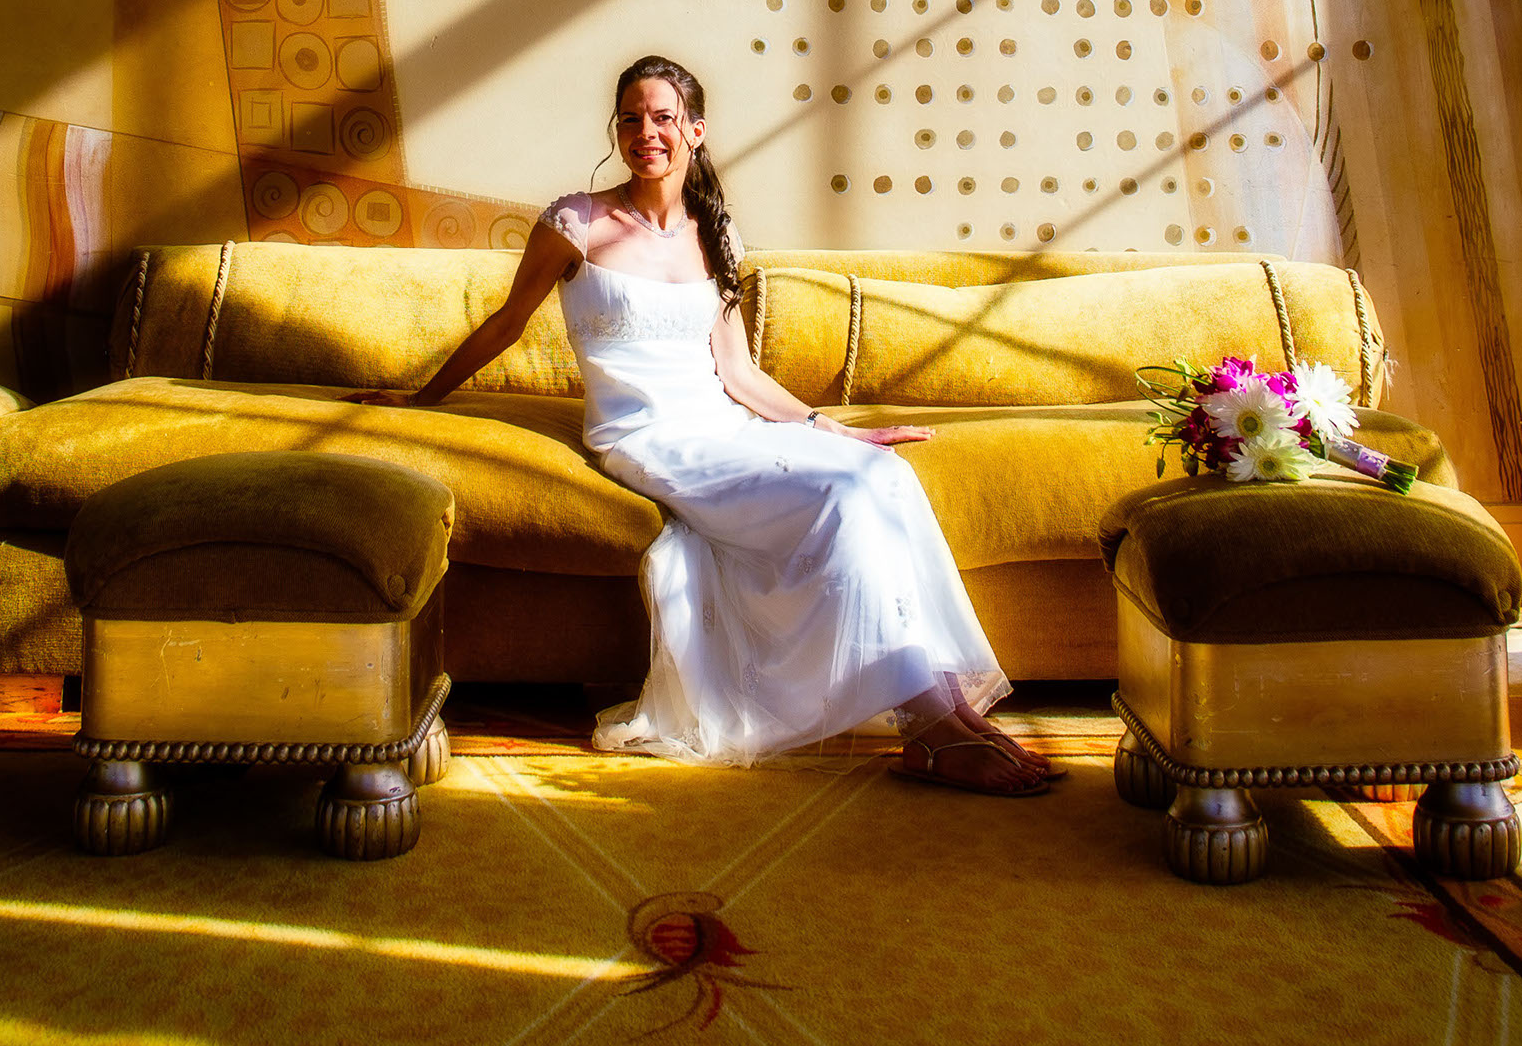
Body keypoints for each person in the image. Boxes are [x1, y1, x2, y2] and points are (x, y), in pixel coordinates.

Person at [368, 55, 1060, 795]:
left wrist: (830, 429)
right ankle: (928, 726)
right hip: (646, 437)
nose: (645, 133)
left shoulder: (716, 235)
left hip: (722, 424)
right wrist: (424, 395)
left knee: (883, 474)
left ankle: (952, 713)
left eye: (663, 117)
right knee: (844, 499)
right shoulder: (578, 222)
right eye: (631, 118)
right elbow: (506, 323)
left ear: (695, 131)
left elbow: (738, 374)